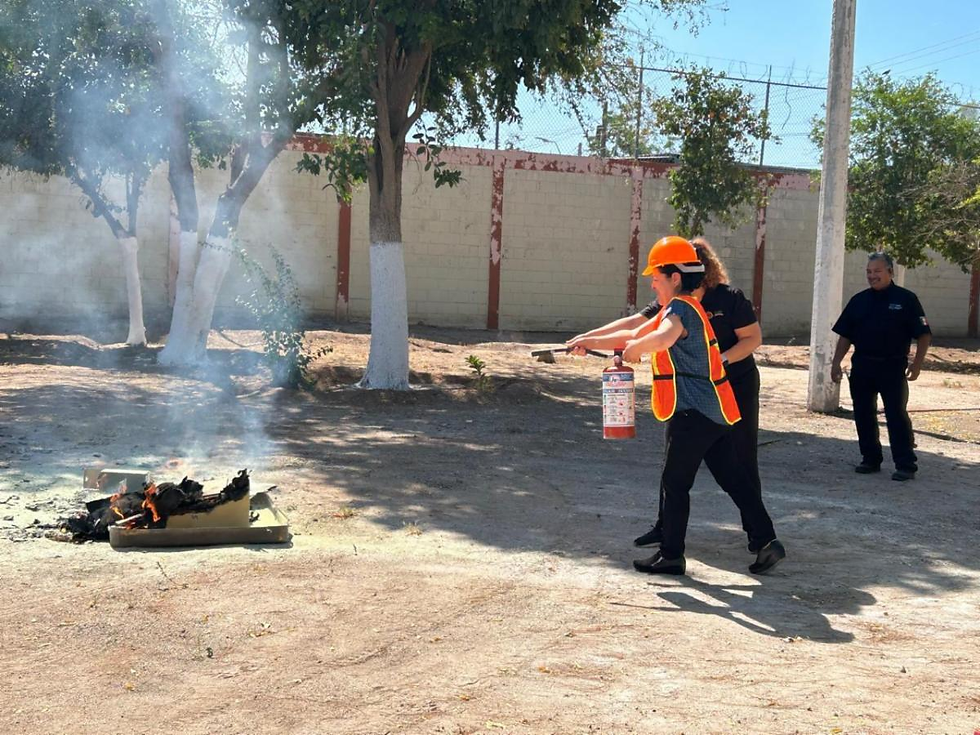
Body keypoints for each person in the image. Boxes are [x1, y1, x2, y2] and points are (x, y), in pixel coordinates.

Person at [575, 236, 785, 575]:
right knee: (733, 477)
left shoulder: (679, 310)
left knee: (675, 482)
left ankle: (671, 554)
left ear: (675, 277)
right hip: (713, 410)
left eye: (657, 278)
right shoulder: (685, 306)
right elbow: (635, 333)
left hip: (693, 411)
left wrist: (636, 350)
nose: (653, 285)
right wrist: (588, 341)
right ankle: (766, 540)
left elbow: (661, 337)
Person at [831, 252, 932, 481]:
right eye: (869, 272)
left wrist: (917, 364)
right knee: (863, 414)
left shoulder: (906, 299)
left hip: (892, 367)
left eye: (877, 271)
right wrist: (836, 362)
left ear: (890, 272)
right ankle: (870, 459)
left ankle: (905, 464)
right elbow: (845, 335)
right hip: (863, 365)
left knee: (896, 415)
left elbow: (924, 334)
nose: (872, 276)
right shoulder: (859, 300)